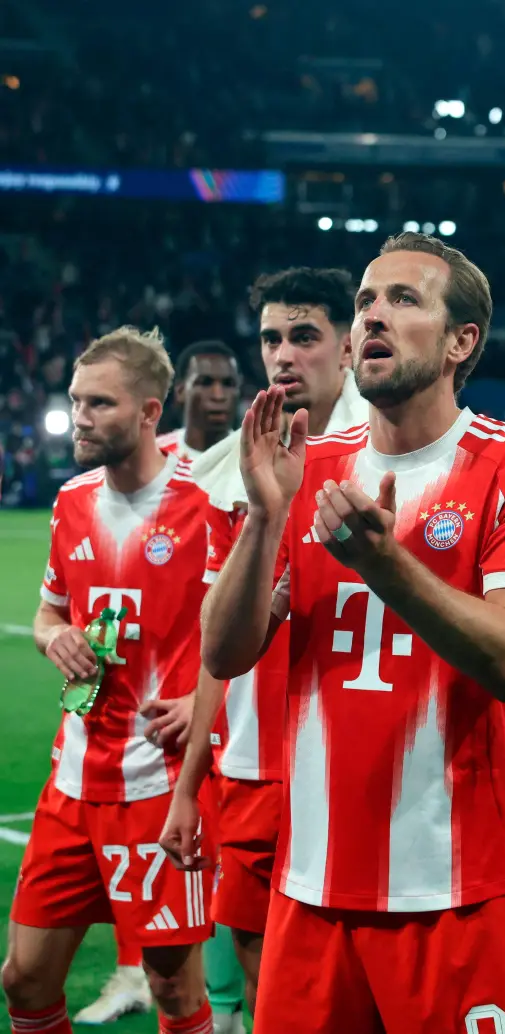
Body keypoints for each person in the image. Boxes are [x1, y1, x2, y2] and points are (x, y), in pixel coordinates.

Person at [167, 232, 505, 1033]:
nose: (374, 317)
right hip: (311, 884)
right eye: (364, 302)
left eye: (403, 299)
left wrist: (383, 563)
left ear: (463, 342)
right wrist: (264, 515)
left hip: (462, 891)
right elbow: (224, 652)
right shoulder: (306, 467)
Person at [160, 267, 368, 1025]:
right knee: (263, 978)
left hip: (351, 765)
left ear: (348, 349)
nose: (284, 355)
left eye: (305, 337)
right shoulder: (234, 475)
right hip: (249, 766)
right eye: (273, 338)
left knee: (355, 980)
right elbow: (219, 648)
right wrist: (188, 788)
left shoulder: (385, 458)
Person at [2, 327, 216, 1034]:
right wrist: (54, 636)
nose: (80, 417)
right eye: (75, 401)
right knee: (25, 979)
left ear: (151, 412)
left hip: (158, 784)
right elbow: (48, 610)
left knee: (173, 987)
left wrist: (200, 703)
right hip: (72, 781)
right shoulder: (71, 501)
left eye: (99, 403)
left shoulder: (207, 506)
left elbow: (252, 635)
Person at [78, 338, 242, 1028]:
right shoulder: (148, 462)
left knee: (225, 891)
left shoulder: (236, 469)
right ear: (177, 395)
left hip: (205, 728)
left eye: (226, 383)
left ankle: (221, 1001)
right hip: (122, 728)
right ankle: (133, 974)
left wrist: (209, 696)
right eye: (204, 381)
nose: (216, 393)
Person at [157, 340, 242, 462]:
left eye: (228, 384)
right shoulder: (156, 456)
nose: (218, 396)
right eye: (205, 383)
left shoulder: (256, 461)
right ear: (180, 391)